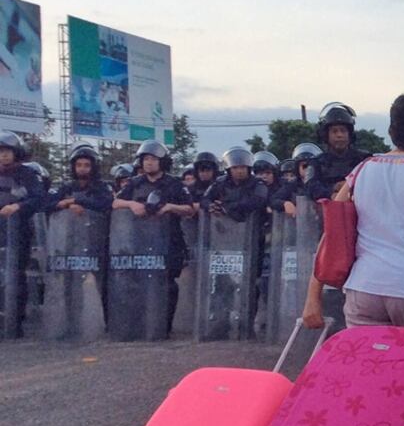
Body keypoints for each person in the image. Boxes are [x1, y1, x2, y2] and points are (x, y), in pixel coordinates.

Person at [301, 92, 404, 339]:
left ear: (391, 132)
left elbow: (334, 233)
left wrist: (313, 296)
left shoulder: (362, 170)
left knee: (368, 371)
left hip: (364, 288)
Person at [114, 139, 194, 332]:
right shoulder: (135, 183)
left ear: (162, 162)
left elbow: (189, 208)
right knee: (136, 282)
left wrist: (169, 207)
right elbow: (115, 203)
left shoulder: (174, 184)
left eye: (153, 159)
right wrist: (131, 204)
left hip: (169, 241)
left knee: (167, 284)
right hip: (138, 241)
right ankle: (139, 323)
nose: (149, 162)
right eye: (145, 159)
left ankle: (163, 326)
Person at [0, 131, 46, 337]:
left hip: (18, 233)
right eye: (0, 152)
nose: (3, 156)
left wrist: (18, 207)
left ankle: (14, 323)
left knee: (16, 276)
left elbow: (38, 198)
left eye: (7, 151)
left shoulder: (27, 174)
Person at [303, 102, 370, 202]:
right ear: (326, 135)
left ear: (350, 134)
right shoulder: (316, 162)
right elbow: (310, 186)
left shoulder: (364, 160)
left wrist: (350, 187)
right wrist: (332, 192)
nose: (339, 135)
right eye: (334, 131)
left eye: (343, 131)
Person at [201, 147, 268, 222]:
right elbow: (205, 199)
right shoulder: (220, 182)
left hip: (254, 227)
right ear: (229, 169)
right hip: (222, 229)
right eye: (235, 168)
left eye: (243, 167)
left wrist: (226, 206)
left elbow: (257, 202)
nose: (239, 171)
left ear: (248, 168)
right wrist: (212, 206)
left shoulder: (258, 183)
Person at [50, 144, 113, 214]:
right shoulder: (67, 188)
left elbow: (104, 204)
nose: (82, 169)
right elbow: (47, 204)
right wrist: (68, 205)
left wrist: (74, 201)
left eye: (87, 165)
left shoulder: (101, 187)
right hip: (68, 224)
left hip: (95, 223)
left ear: (94, 167)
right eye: (78, 165)